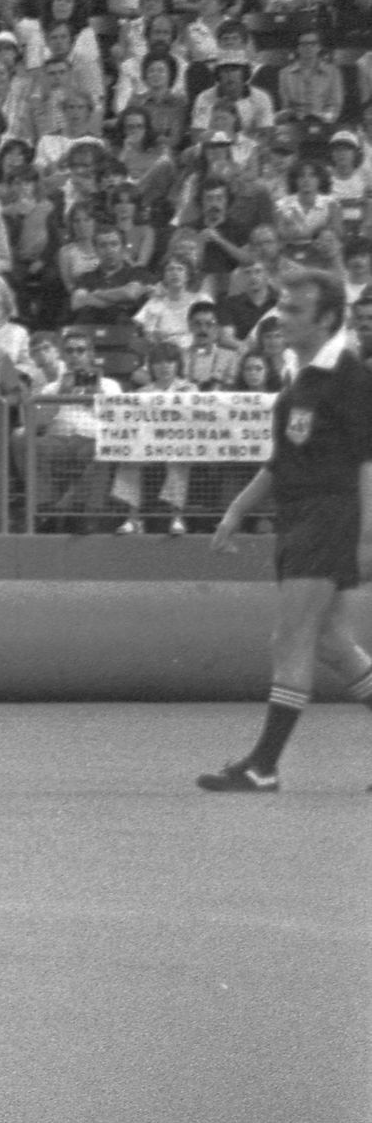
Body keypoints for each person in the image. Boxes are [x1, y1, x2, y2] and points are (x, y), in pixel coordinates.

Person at [197, 268, 372, 792]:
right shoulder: (300, 379)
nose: (281, 316)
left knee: (290, 637)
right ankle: (263, 765)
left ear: (327, 318)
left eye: (296, 309)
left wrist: (367, 538)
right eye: (283, 306)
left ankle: (263, 766)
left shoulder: (351, 379)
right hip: (299, 519)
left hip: (329, 518)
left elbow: (368, 463)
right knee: (333, 645)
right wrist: (236, 510)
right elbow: (282, 461)